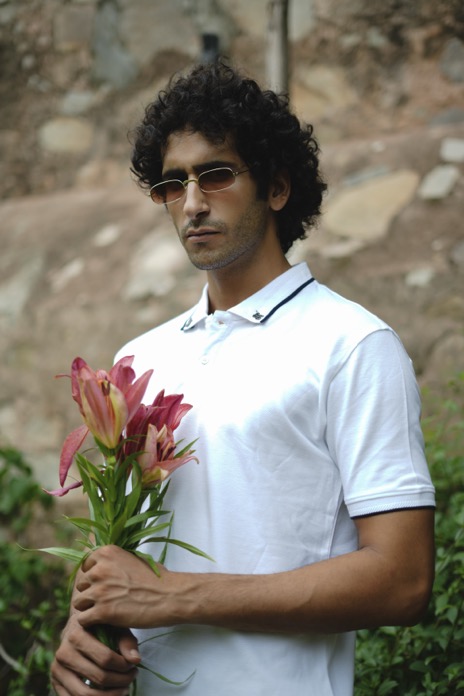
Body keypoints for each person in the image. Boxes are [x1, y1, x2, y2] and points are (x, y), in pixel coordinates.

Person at [50, 61, 435, 696]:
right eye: (172, 184)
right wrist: (81, 634)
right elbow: (121, 555)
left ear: (277, 187)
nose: (193, 202)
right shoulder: (139, 358)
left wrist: (175, 597)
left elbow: (404, 580)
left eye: (217, 174)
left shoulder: (352, 345)